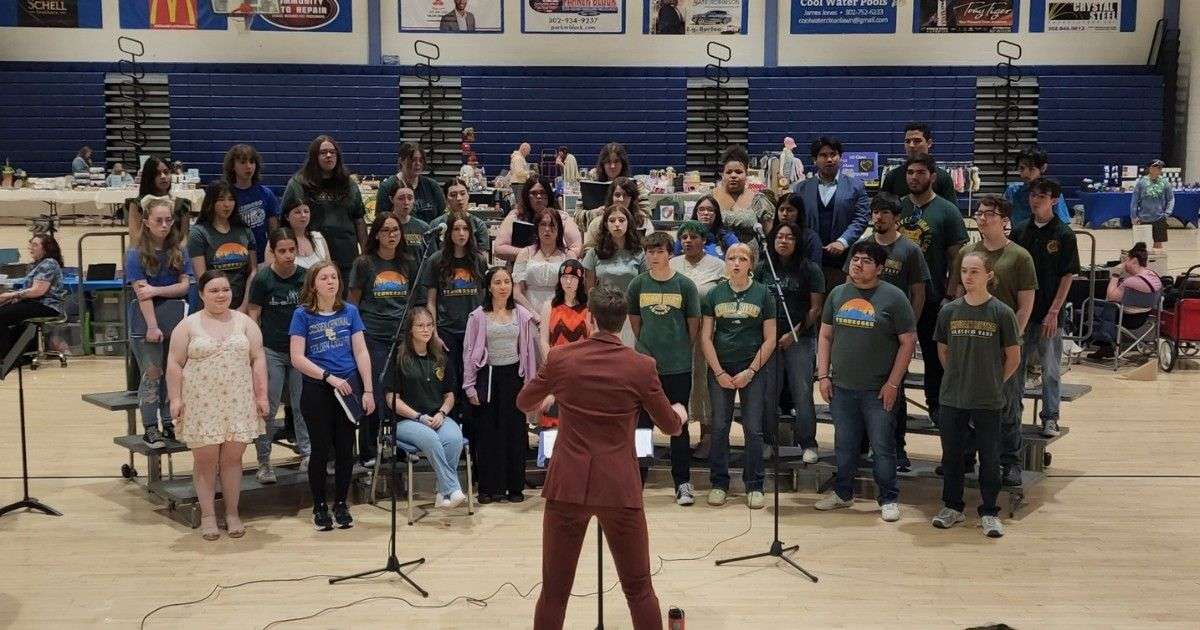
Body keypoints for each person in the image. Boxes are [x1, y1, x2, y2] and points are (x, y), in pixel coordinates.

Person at [515, 286, 686, 630]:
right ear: (622, 323)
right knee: (639, 589)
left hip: (568, 485)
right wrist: (679, 413)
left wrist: (556, 394)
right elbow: (670, 426)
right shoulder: (641, 366)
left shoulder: (562, 359)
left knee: (554, 592)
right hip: (618, 487)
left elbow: (524, 401)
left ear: (590, 318)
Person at [814, 241, 916, 522]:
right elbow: (825, 336)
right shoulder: (837, 294)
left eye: (866, 261)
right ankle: (843, 493)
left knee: (883, 447)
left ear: (880, 268)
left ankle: (889, 497)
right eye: (855, 259)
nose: (858, 264)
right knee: (844, 444)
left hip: (878, 389)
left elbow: (908, 343)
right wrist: (823, 375)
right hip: (842, 387)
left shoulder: (894, 297)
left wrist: (893, 384)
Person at [165, 270, 268, 540]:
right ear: (201, 294)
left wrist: (262, 396)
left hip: (238, 401)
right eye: (213, 290)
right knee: (205, 461)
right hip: (201, 402)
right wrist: (175, 399)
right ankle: (209, 516)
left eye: (225, 289)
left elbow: (258, 359)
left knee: (233, 460)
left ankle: (232, 513)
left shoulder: (245, 323)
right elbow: (174, 364)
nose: (221, 295)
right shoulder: (188, 325)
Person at [948, 195, 1036, 487]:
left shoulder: (1020, 257)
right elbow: (960, 297)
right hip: (970, 342)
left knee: (1006, 405)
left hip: (1002, 346)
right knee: (967, 404)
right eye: (979, 213)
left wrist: (1012, 342)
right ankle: (967, 457)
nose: (982, 218)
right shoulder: (967, 253)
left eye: (989, 213)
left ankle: (1010, 461)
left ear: (1004, 219)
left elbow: (1025, 306)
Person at [933, 252, 1021, 538]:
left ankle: (990, 512)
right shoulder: (949, 311)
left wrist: (995, 382)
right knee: (953, 457)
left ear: (988, 275)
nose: (968, 277)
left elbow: (1013, 357)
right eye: (964, 272)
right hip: (953, 398)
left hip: (988, 399)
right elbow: (943, 351)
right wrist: (958, 376)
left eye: (974, 272)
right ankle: (952, 508)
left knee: (990, 458)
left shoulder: (1002, 313)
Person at [844, 193, 930, 470]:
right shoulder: (861, 247)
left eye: (884, 213)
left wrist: (909, 327)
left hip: (893, 335)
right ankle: (861, 447)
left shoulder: (910, 250)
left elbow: (918, 293)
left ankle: (897, 448)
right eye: (875, 212)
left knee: (895, 393)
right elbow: (849, 286)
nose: (878, 217)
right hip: (861, 329)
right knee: (860, 391)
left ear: (896, 218)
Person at [288, 261, 376, 532]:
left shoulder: (349, 312)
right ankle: (319, 506)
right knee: (320, 450)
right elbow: (297, 358)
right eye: (324, 277)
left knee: (345, 450)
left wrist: (369, 390)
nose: (331, 282)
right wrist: (327, 377)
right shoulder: (302, 315)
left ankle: (341, 503)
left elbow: (361, 352)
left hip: (348, 387)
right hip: (319, 389)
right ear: (313, 283)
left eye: (334, 277)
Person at [700, 242, 776, 509]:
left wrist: (751, 370)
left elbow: (770, 339)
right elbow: (705, 337)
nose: (735, 263)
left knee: (754, 430)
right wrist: (719, 371)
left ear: (750, 263)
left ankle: (754, 484)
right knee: (719, 428)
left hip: (752, 369)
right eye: (731, 258)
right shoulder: (714, 294)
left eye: (742, 258)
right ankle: (719, 483)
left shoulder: (763, 294)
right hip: (720, 368)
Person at [627, 231, 701, 505]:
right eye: (649, 251)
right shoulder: (637, 285)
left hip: (678, 367)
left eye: (659, 251)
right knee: (641, 427)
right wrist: (647, 352)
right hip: (645, 369)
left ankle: (682, 482)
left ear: (670, 253)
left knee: (678, 424)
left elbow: (693, 324)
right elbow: (636, 322)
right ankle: (638, 481)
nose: (653, 256)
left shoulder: (685, 286)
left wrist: (679, 348)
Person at [897, 153, 968, 424]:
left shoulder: (947, 211)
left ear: (933, 177)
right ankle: (894, 410)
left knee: (933, 356)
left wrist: (950, 296)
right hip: (898, 299)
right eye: (910, 172)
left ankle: (936, 407)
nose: (914, 177)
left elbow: (956, 257)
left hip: (934, 297)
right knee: (894, 356)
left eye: (920, 173)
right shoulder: (899, 207)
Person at [1010, 178, 1079, 438]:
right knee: (1016, 366)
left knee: (1050, 369)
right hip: (1021, 314)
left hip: (1048, 314)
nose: (1035, 199)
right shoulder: (1019, 231)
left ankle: (1050, 417)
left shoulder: (1063, 234)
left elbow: (1067, 276)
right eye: (1033, 194)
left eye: (1042, 195)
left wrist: (1053, 311)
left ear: (1054, 200)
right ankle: (1012, 414)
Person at [463, 267, 538, 504]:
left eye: (507, 281)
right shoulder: (477, 316)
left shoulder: (523, 315)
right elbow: (468, 353)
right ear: (489, 287)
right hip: (488, 376)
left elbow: (529, 354)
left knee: (514, 434)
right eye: (497, 282)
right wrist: (470, 386)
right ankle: (488, 488)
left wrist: (530, 384)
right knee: (488, 434)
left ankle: (515, 487)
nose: (503, 286)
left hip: (514, 377)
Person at [348, 212, 417, 466]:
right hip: (372, 336)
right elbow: (352, 302)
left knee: (401, 393)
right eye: (386, 230)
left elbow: (412, 300)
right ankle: (367, 450)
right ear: (376, 233)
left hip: (401, 336)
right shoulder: (364, 263)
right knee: (374, 392)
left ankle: (401, 444)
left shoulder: (408, 262)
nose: (391, 235)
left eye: (396, 230)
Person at [384, 306, 468, 509]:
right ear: (410, 329)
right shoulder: (399, 358)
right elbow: (391, 399)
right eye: (420, 325)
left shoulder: (440, 357)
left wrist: (442, 413)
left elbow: (449, 395)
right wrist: (419, 416)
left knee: (454, 437)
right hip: (408, 420)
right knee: (430, 438)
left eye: (429, 325)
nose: (426, 330)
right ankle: (452, 488)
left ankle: (443, 493)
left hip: (437, 416)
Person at [127, 197, 193, 448]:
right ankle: (150, 427)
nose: (164, 225)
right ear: (146, 222)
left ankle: (168, 422)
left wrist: (156, 291)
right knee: (152, 374)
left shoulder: (179, 250)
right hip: (147, 324)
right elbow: (143, 294)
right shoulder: (135, 253)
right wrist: (153, 326)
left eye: (168, 220)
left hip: (175, 321)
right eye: (158, 220)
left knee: (173, 374)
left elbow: (185, 286)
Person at [247, 228, 311, 483]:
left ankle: (307, 454)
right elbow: (254, 316)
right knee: (268, 407)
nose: (288, 255)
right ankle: (264, 461)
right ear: (272, 252)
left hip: (299, 352)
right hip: (271, 351)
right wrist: (255, 354)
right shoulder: (263, 279)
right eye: (282, 251)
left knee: (302, 404)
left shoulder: (305, 277)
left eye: (292, 250)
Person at [758, 221, 825, 464]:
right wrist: (771, 335)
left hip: (800, 339)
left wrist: (793, 334)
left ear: (797, 242)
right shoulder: (763, 268)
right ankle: (767, 440)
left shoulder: (810, 269)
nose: (783, 241)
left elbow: (816, 308)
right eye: (779, 237)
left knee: (802, 393)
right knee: (768, 393)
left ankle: (808, 442)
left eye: (789, 237)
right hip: (769, 340)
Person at [419, 211, 488, 416]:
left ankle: (472, 432)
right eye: (456, 229)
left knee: (473, 382)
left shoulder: (478, 260)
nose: (461, 233)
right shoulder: (436, 260)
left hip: (473, 330)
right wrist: (435, 333)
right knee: (451, 382)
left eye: (465, 229)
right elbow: (430, 300)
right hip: (447, 330)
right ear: (448, 233)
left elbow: (485, 298)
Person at [669, 220, 726, 457]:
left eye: (693, 237)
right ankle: (678, 439)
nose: (688, 241)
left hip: (708, 333)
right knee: (680, 384)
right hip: (677, 333)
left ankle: (708, 438)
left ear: (704, 240)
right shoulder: (671, 264)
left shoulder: (718, 265)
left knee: (705, 383)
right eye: (684, 237)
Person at [281, 135, 367, 283]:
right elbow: (284, 220)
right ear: (314, 157)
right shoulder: (298, 183)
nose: (329, 155)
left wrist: (365, 253)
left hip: (346, 257)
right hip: (312, 258)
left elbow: (359, 220)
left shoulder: (349, 184)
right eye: (323, 152)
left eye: (332, 152)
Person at [792, 137, 870, 284]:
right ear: (814, 160)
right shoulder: (800, 188)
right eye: (823, 155)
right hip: (808, 257)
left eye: (833, 154)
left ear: (840, 158)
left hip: (844, 259)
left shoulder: (856, 186)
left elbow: (861, 218)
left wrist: (843, 241)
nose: (829, 159)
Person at [536, 260, 591, 428]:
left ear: (580, 280)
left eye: (573, 278)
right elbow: (544, 340)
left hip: (581, 372)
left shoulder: (588, 308)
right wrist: (552, 364)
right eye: (565, 277)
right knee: (553, 418)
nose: (568, 282)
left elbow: (590, 342)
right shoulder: (549, 306)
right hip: (555, 369)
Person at [582, 205, 646, 346]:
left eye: (621, 220)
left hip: (631, 313)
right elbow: (590, 289)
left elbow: (644, 287)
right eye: (612, 220)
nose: (617, 224)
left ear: (628, 223)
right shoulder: (595, 253)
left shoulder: (639, 253)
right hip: (603, 312)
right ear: (606, 224)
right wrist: (591, 313)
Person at [188, 180, 256, 312]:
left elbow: (253, 271)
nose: (227, 204)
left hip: (241, 304)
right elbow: (202, 278)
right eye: (220, 199)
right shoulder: (199, 233)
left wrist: (244, 305)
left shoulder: (245, 231)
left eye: (231, 199)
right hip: (210, 306)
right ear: (211, 202)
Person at [1087, 242, 1161, 361]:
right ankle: (1107, 345)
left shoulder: (1131, 282)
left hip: (1128, 319)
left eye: (1127, 260)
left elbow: (1111, 297)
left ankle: (1105, 345)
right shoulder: (1154, 275)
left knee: (1094, 306)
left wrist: (1116, 274)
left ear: (1134, 261)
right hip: (1144, 315)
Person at [0, 234, 66, 360]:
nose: (31, 247)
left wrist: (11, 295)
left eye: (35, 245)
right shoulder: (36, 265)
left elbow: (38, 291)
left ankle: (6, 356)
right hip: (35, 303)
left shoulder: (49, 263)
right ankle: (21, 353)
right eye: (31, 244)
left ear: (46, 248)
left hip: (46, 305)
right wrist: (15, 298)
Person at [495, 175, 582, 263]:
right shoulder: (516, 216)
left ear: (549, 195)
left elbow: (576, 247)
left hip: (556, 268)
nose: (539, 196)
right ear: (527, 196)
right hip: (521, 269)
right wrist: (532, 255)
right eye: (533, 193)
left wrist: (560, 258)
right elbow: (499, 248)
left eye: (543, 192)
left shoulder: (562, 217)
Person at [224, 143, 281, 263]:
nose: (248, 166)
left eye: (252, 162)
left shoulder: (266, 194)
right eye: (243, 162)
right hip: (233, 256)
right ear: (233, 166)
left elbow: (274, 231)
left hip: (261, 256)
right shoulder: (226, 196)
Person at [514, 209, 573, 323]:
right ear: (536, 228)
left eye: (552, 225)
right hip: (529, 315)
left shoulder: (568, 256)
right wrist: (534, 315)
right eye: (543, 224)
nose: (547, 229)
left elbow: (572, 292)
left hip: (559, 314)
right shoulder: (525, 253)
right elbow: (517, 292)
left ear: (559, 229)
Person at [879, 122, 959, 203]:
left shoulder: (943, 177)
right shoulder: (893, 177)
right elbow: (882, 208)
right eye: (907, 141)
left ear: (929, 143)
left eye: (917, 141)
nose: (911, 145)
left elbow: (952, 212)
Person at [713, 146, 774, 243]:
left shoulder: (757, 199)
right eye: (729, 172)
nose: (733, 176)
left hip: (750, 255)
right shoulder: (710, 198)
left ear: (746, 174)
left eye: (738, 172)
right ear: (722, 175)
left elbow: (770, 234)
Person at [375, 142, 446, 224]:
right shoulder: (387, 187)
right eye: (413, 160)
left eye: (421, 160)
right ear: (401, 161)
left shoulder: (432, 185)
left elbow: (443, 216)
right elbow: (380, 221)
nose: (418, 164)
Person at [127, 156, 192, 242]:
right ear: (149, 177)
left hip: (175, 252)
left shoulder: (182, 203)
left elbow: (184, 238)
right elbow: (134, 239)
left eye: (166, 172)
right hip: (146, 252)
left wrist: (178, 253)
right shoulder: (137, 204)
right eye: (157, 173)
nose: (163, 176)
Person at [1004, 146, 1072, 226]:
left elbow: (1063, 225)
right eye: (1021, 168)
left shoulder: (1052, 192)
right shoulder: (1013, 191)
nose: (1025, 173)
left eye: (1031, 169)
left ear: (1043, 168)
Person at [426, 177, 492, 255]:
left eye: (463, 193)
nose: (459, 198)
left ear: (468, 195)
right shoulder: (436, 224)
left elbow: (482, 257)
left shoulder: (478, 224)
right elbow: (431, 256)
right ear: (446, 199)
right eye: (453, 195)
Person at [269, 196, 330, 269]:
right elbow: (272, 274)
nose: (303, 215)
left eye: (306, 211)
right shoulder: (276, 239)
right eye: (297, 212)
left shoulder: (318, 237)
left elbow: (329, 266)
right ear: (287, 217)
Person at [671, 194, 738, 258]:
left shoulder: (726, 235)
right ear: (696, 213)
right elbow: (675, 258)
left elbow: (741, 254)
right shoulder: (685, 235)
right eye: (701, 209)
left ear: (716, 214)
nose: (706, 213)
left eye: (710, 210)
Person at [1131, 159, 1174, 250]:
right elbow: (1134, 200)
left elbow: (1171, 199)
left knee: (1158, 245)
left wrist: (1167, 213)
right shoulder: (1141, 183)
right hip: (1143, 218)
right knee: (1142, 245)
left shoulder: (1165, 183)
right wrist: (1133, 216)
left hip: (1159, 218)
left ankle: (1157, 263)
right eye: (1154, 167)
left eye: (1159, 168)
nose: (1157, 170)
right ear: (1149, 168)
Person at [769, 193, 823, 264]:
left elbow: (815, 268)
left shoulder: (811, 238)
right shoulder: (772, 234)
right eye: (781, 210)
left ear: (799, 213)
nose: (784, 214)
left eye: (789, 210)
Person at [386, 181, 432, 252]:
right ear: (391, 199)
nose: (406, 202)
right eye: (401, 198)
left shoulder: (423, 228)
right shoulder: (382, 225)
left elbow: (431, 257)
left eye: (410, 198)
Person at [510, 142, 532, 208]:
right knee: (520, 204)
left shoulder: (519, 157)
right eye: (528, 151)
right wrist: (529, 172)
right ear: (524, 149)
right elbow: (518, 172)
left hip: (519, 183)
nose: (528, 153)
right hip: (519, 183)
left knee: (520, 203)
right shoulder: (518, 158)